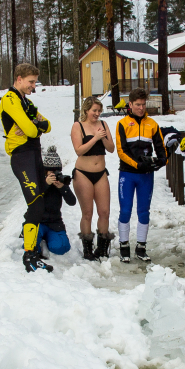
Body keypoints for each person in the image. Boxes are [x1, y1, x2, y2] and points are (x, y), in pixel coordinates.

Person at [0, 63, 53, 273]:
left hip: (34, 155)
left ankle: (31, 245)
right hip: (22, 157)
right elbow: (32, 130)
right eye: (31, 81)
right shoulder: (10, 99)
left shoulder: (26, 102)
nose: (33, 86)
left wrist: (34, 126)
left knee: (39, 201)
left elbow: (47, 125)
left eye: (34, 82)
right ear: (19, 78)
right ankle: (29, 255)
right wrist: (34, 126)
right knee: (36, 204)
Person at [115, 88, 166, 263]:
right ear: (130, 104)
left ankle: (141, 246)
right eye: (137, 105)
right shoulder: (122, 124)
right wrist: (137, 164)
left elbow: (161, 148)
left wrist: (161, 161)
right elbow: (121, 151)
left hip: (146, 175)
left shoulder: (152, 124)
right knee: (126, 210)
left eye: (143, 105)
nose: (141, 108)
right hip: (128, 174)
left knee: (144, 211)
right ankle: (124, 245)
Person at [70, 96, 115, 260]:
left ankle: (102, 249)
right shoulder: (78, 126)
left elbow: (111, 149)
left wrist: (102, 137)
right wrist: (95, 138)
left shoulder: (103, 125)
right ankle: (88, 249)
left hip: (101, 173)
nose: (97, 114)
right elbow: (79, 150)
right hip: (83, 173)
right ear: (86, 110)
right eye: (94, 111)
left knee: (104, 212)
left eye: (99, 111)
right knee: (87, 213)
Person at [35, 145, 75, 256]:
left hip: (54, 222)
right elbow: (33, 198)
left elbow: (72, 202)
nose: (54, 173)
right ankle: (38, 242)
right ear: (45, 171)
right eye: (50, 171)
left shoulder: (60, 182)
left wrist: (63, 188)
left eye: (56, 171)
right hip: (37, 220)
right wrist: (45, 184)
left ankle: (48, 238)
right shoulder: (38, 181)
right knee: (31, 244)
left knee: (62, 247)